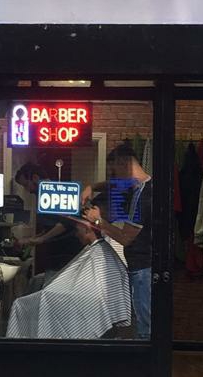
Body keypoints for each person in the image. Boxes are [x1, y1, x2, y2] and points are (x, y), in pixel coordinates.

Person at [82, 144, 152, 339]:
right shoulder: (139, 187)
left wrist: (98, 221)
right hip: (141, 268)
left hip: (144, 269)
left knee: (145, 329)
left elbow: (125, 238)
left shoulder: (144, 197)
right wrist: (92, 187)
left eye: (114, 172)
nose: (113, 178)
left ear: (124, 164)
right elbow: (112, 185)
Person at [14, 162, 83, 288]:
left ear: (35, 178)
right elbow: (51, 226)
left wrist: (42, 238)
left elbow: (66, 222)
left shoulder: (53, 192)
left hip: (66, 252)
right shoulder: (44, 195)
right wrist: (33, 239)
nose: (27, 190)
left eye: (26, 185)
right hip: (57, 253)